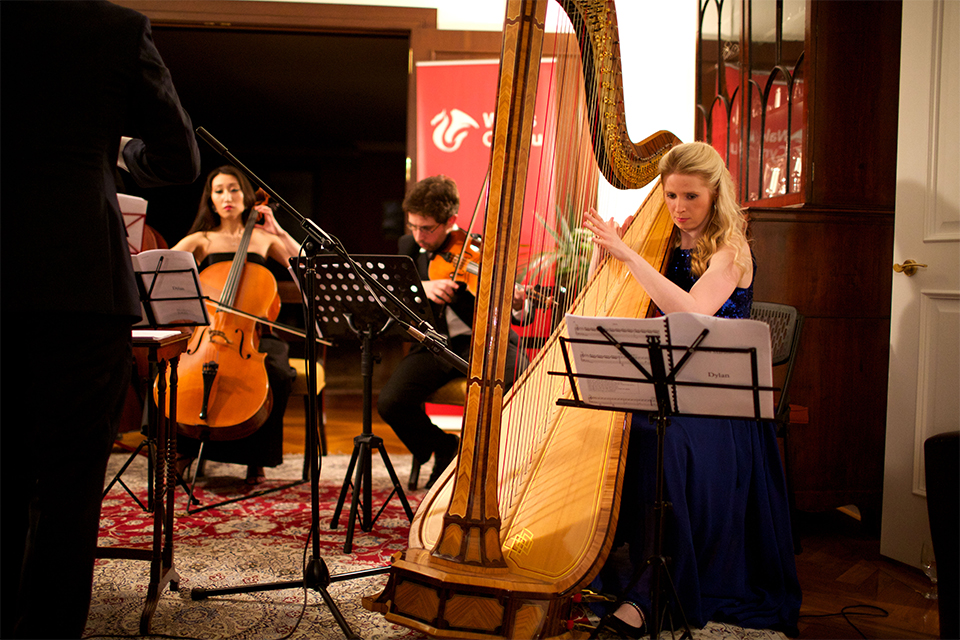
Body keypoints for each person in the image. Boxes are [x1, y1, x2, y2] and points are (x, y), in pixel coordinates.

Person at [1, 2, 201, 637]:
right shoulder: (112, 28)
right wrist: (118, 156)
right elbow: (178, 156)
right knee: (69, 482)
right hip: (79, 279)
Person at [581, 142, 802, 636]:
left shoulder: (731, 249)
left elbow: (690, 314)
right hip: (669, 388)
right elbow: (631, 307)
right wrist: (612, 260)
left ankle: (653, 591)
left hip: (721, 402)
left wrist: (627, 255)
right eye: (670, 195)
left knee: (662, 439)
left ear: (715, 193)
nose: (678, 208)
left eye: (691, 197)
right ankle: (587, 556)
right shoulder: (664, 241)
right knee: (617, 427)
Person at [377, 175, 531, 489]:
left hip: (483, 342)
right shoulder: (408, 246)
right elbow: (394, 292)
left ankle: (505, 465)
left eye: (427, 228)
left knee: (524, 382)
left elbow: (518, 315)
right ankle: (442, 446)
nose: (418, 235)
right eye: (413, 226)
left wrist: (516, 303)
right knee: (390, 403)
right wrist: (423, 286)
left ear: (451, 221)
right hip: (435, 345)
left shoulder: (480, 249)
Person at [170, 166, 301, 484]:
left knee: (280, 374)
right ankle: (182, 450)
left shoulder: (262, 238)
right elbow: (161, 271)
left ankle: (255, 457)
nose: (226, 197)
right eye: (218, 191)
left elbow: (305, 267)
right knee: (172, 370)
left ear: (245, 196)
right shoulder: (200, 239)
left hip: (254, 334)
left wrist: (279, 230)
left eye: (233, 189)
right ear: (210, 200)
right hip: (209, 331)